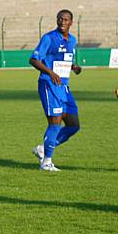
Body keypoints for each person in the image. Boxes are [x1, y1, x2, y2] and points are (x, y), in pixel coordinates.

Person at [30, 9, 82, 172]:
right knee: (55, 122)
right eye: (60, 19)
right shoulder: (49, 38)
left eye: (66, 20)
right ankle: (46, 162)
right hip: (49, 84)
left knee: (73, 125)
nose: (62, 22)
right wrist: (50, 73)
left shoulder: (72, 40)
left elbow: (64, 60)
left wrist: (73, 67)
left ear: (71, 23)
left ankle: (43, 148)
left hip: (64, 87)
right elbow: (33, 59)